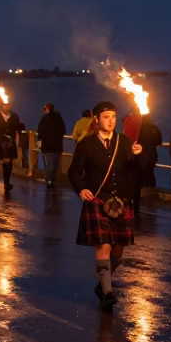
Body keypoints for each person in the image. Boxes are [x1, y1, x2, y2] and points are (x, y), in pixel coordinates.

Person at [68, 101, 142, 311]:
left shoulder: (124, 141)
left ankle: (103, 284)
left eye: (113, 116)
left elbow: (136, 170)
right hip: (98, 201)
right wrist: (81, 189)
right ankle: (108, 293)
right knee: (104, 245)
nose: (111, 120)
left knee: (117, 252)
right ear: (97, 119)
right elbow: (73, 172)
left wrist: (139, 155)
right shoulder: (87, 144)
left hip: (122, 202)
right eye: (106, 116)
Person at [0, 99, 24, 194]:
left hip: (9, 144)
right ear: (2, 106)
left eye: (8, 105)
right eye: (5, 105)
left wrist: (21, 127)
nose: (7, 107)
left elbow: (18, 127)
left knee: (8, 164)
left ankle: (7, 184)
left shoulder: (14, 116)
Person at [36, 102, 66, 189]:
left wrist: (40, 140)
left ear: (47, 109)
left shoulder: (45, 119)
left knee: (49, 163)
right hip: (58, 145)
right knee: (55, 163)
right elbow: (63, 130)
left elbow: (40, 131)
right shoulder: (59, 118)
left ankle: (49, 179)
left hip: (48, 145)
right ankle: (52, 179)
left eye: (44, 109)